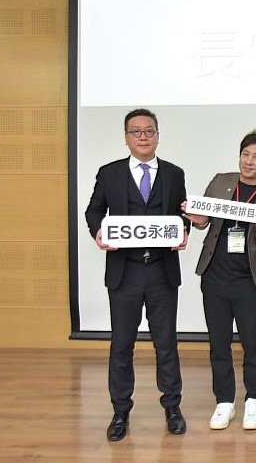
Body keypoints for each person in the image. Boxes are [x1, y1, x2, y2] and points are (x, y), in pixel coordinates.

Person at [85, 108, 189, 442]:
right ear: (126, 137)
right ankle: (120, 411)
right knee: (122, 344)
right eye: (136, 132)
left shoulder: (174, 174)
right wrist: (99, 232)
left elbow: (181, 213)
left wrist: (184, 230)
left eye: (149, 131)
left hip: (161, 271)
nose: (143, 137)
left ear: (158, 135)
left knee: (166, 343)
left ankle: (172, 407)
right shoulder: (109, 173)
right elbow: (94, 210)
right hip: (124, 272)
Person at [183, 129, 256, 431]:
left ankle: (254, 400)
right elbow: (203, 222)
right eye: (245, 154)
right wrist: (196, 220)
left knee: (252, 341)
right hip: (214, 275)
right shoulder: (220, 181)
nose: (249, 161)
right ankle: (224, 401)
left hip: (246, 279)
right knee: (219, 342)